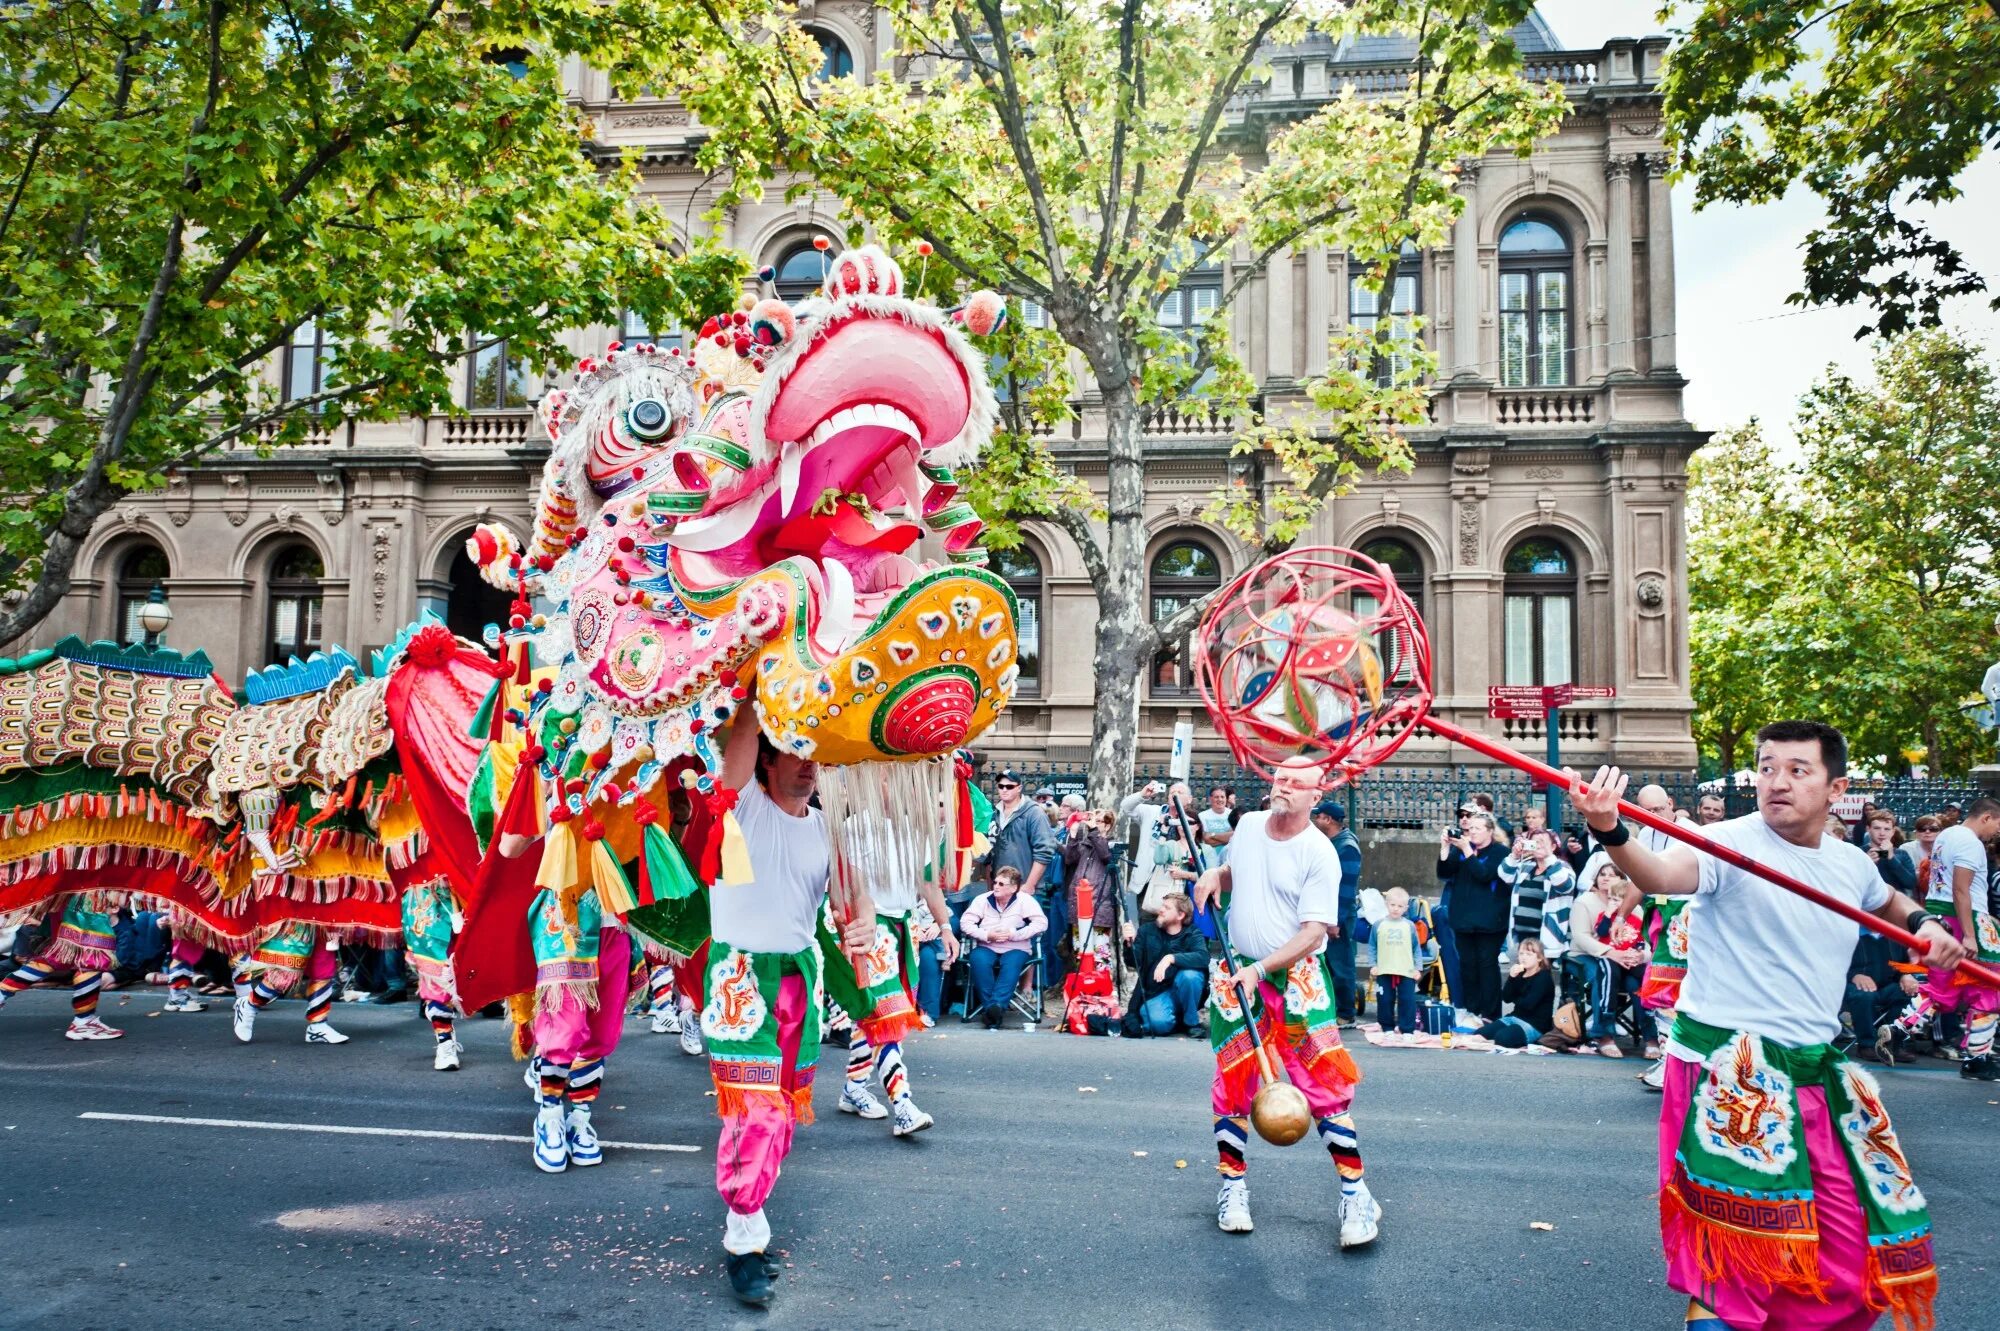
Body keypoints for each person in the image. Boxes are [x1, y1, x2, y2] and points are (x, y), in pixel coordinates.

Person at [1567, 720, 1963, 1331]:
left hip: (1813, 1073)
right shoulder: (1726, 841)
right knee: (1735, 1257)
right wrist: (1607, 827)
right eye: (1767, 767)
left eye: (1798, 770)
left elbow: (1885, 900)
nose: (1777, 782)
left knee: (1848, 1257)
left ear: (1837, 789)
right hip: (1728, 1075)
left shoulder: (1850, 861)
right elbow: (1660, 875)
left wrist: (1925, 923)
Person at [704, 709, 876, 1307]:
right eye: (797, 754)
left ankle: (749, 1225)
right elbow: (742, 739)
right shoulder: (740, 806)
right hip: (740, 979)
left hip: (800, 981)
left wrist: (861, 927)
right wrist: (763, 653)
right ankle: (742, 1239)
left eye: (815, 757)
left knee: (778, 1119)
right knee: (759, 1115)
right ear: (768, 762)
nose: (809, 768)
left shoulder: (828, 829)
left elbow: (856, 899)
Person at [1193, 756, 1376, 1248]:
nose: (1284, 788)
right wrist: (1217, 877)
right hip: (1238, 976)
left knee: (1322, 1090)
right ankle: (1232, 1188)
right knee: (1232, 1086)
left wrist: (1260, 968)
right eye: (1280, 779)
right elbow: (1239, 871)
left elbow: (1315, 930)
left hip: (1297, 982)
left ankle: (1356, 1195)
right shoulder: (1249, 825)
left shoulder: (1321, 852)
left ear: (1316, 798)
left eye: (1298, 783)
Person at [1878, 796, 2000, 1079]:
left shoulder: (1946, 836)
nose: (1996, 832)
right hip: (1965, 920)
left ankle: (1900, 1029)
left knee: (1942, 985)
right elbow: (1961, 889)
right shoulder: (1970, 842)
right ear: (1986, 817)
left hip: (1940, 916)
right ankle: (1978, 1058)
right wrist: (1970, 934)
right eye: (1997, 824)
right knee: (1989, 988)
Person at [0, 892, 128, 1040]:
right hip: (86, 894)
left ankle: (2, 992)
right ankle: (84, 1021)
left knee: (57, 956)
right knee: (92, 954)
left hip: (68, 894)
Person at [1569, 858, 1652, 1059]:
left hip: (1625, 957)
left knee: (1637, 982)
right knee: (1601, 974)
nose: (1606, 878)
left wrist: (1641, 956)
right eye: (1602, 874)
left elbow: (1646, 939)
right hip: (1587, 955)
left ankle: (1651, 1037)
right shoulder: (1584, 901)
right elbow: (1580, 937)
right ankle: (1604, 1034)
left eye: (1612, 874)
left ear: (1622, 880)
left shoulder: (1633, 906)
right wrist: (1611, 953)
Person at [982, 769, 1059, 983]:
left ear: (1019, 788)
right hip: (999, 886)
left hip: (1025, 884)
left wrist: (1029, 885)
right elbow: (989, 852)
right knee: (999, 934)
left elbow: (1045, 850)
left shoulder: (1033, 812)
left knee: (1027, 936)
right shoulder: (993, 812)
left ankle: (1026, 987)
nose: (1004, 790)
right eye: (1001, 786)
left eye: (1009, 786)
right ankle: (1008, 986)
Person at [1436, 811, 1508, 1021]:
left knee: (1487, 966)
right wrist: (1445, 847)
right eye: (1470, 829)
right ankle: (1472, 1009)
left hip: (1490, 921)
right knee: (1467, 966)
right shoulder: (1462, 851)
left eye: (1477, 828)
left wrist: (1467, 850)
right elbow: (1444, 873)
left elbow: (1484, 874)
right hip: (1463, 918)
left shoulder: (1500, 853)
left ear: (1490, 831)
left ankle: (1490, 1014)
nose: (1472, 832)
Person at [231, 923, 349, 1047]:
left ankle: (318, 1025)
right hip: (297, 916)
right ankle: (249, 1005)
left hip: (325, 918)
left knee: (323, 971)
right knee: (284, 976)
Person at [960, 866, 1047, 1028]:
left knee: (1012, 963)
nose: (996, 886)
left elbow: (1041, 924)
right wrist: (986, 935)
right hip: (987, 945)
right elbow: (965, 923)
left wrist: (1014, 933)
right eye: (995, 882)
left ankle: (995, 1007)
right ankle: (993, 1009)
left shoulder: (1025, 901)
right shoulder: (983, 900)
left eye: (1001, 884)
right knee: (978, 959)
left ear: (1014, 888)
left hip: (1017, 947)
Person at [1123, 892, 1208, 1036]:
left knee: (1190, 976)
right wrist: (1129, 943)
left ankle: (1191, 1022)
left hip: (1183, 989)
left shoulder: (1192, 933)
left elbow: (1203, 957)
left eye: (1167, 908)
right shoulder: (1146, 931)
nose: (1161, 910)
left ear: (1180, 915)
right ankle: (1177, 1019)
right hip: (1156, 993)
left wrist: (1170, 958)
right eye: (1162, 905)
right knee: (1156, 1023)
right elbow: (1133, 963)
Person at [1311, 800, 1363, 1026]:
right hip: (1328, 911)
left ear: (1328, 820)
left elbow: (1346, 890)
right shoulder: (1331, 841)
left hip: (1338, 915)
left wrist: (1336, 921)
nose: (1315, 820)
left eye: (1318, 816)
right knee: (1330, 963)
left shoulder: (1346, 847)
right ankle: (1334, 1009)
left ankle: (1346, 1013)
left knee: (1341, 964)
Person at [1366, 887, 1428, 1039]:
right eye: (1393, 905)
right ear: (1387, 905)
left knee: (1407, 1000)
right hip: (1384, 970)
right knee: (1385, 999)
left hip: (1406, 970)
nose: (1396, 909)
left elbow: (1416, 949)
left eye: (1400, 906)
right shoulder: (1378, 925)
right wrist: (1373, 964)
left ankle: (1407, 1029)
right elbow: (1372, 946)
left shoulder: (1409, 926)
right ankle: (1387, 1027)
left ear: (1406, 908)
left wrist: (1417, 968)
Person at [1500, 827, 1575, 949]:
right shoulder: (1526, 866)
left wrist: (1548, 857)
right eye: (1535, 842)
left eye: (1542, 842)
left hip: (1547, 933)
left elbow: (1564, 886)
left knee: (1541, 967)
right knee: (1524, 967)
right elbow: (1505, 875)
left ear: (1553, 847)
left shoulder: (1562, 867)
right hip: (1522, 933)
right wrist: (1514, 855)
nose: (1538, 845)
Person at [1844, 929, 1917, 1052]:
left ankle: (1893, 1042)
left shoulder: (1893, 935)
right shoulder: (1848, 932)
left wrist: (1906, 974)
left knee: (1906, 991)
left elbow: (1905, 962)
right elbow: (1829, 962)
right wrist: (1853, 975)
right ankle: (1867, 1045)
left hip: (1886, 985)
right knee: (1865, 996)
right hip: (1850, 985)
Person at [1476, 936, 1554, 1048]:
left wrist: (1516, 997)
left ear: (1539, 958)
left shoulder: (1543, 977)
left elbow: (1528, 1004)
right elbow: (1506, 998)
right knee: (1480, 1034)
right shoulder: (1520, 973)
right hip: (1514, 1017)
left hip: (1534, 1024)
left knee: (1502, 1038)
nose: (1524, 958)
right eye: (1521, 954)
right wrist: (1511, 978)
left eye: (1529, 954)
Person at [1861, 811, 1918, 896]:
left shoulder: (1901, 854)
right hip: (1865, 902)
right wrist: (1866, 863)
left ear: (1893, 831)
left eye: (1887, 829)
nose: (1882, 833)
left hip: (1895, 903)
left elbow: (1910, 883)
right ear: (1868, 829)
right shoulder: (1858, 852)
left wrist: (1891, 858)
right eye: (1877, 828)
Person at [1199, 787, 1235, 869]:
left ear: (1226, 799)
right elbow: (1205, 840)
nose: (1220, 799)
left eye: (1222, 797)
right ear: (1210, 799)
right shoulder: (1202, 816)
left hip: (1229, 859)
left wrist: (1212, 835)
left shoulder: (1232, 814)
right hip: (1210, 860)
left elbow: (1236, 835)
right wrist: (1227, 838)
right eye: (1216, 797)